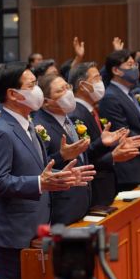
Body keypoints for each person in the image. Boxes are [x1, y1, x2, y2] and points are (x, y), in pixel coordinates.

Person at [0, 62, 95, 279]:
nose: (37, 91)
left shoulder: (27, 123)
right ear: (13, 94)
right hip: (12, 232)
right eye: (31, 85)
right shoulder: (1, 130)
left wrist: (62, 175)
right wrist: (40, 183)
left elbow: (36, 172)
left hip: (33, 225)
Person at [68, 62, 140, 206]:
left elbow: (99, 148)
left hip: (106, 185)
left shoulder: (90, 110)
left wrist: (117, 145)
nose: (101, 82)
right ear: (83, 85)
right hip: (94, 189)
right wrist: (113, 157)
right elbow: (84, 158)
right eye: (96, 78)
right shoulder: (76, 115)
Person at [99, 50, 140, 191]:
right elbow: (123, 133)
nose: (135, 68)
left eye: (135, 64)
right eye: (130, 65)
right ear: (116, 70)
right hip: (128, 169)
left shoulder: (131, 92)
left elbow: (137, 125)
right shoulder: (111, 97)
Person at [34, 74, 98, 224]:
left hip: (82, 200)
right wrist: (61, 155)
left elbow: (81, 157)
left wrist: (102, 143)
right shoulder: (39, 126)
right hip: (62, 207)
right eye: (60, 91)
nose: (67, 92)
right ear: (46, 102)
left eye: (67, 87)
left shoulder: (71, 118)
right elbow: (38, 166)